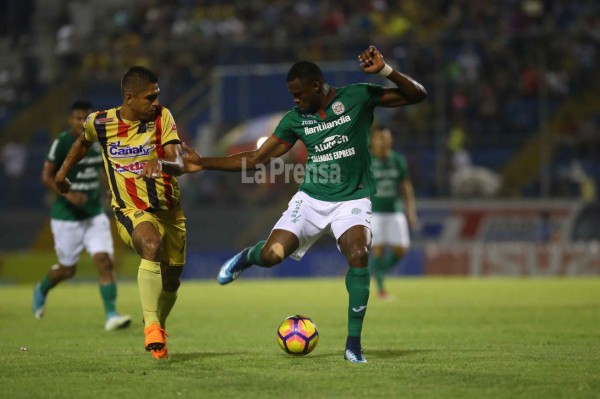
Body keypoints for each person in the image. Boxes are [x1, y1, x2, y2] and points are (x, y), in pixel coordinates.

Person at [181, 45, 427, 363]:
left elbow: (417, 95)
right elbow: (256, 159)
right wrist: (203, 162)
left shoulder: (357, 96)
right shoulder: (296, 119)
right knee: (272, 255)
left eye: (298, 94)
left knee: (358, 253)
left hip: (351, 200)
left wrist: (385, 71)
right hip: (310, 200)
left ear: (316, 86)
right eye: (291, 95)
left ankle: (353, 345)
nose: (295, 100)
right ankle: (248, 256)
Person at [55, 67, 187, 360]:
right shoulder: (100, 122)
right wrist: (63, 172)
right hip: (131, 209)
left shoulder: (162, 117)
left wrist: (161, 164)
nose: (156, 102)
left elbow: (179, 161)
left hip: (170, 210)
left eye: (157, 96)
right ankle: (152, 326)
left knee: (172, 279)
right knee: (150, 245)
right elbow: (82, 142)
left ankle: (156, 322)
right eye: (150, 97)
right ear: (129, 98)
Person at [33, 100, 131, 332]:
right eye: (78, 118)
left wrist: (110, 188)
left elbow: (103, 167)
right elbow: (46, 176)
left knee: (104, 262)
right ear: (71, 120)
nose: (82, 122)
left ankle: (111, 315)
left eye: (86, 118)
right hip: (66, 216)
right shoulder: (63, 142)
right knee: (68, 269)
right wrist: (68, 195)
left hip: (94, 213)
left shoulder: (98, 141)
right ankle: (42, 288)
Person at [369, 127, 417, 299]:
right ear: (373, 140)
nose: (384, 141)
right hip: (374, 211)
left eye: (386, 138)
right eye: (380, 138)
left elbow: (406, 187)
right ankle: (381, 290)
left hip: (395, 210)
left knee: (401, 250)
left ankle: (374, 271)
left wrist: (411, 211)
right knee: (379, 248)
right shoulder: (367, 160)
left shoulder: (398, 160)